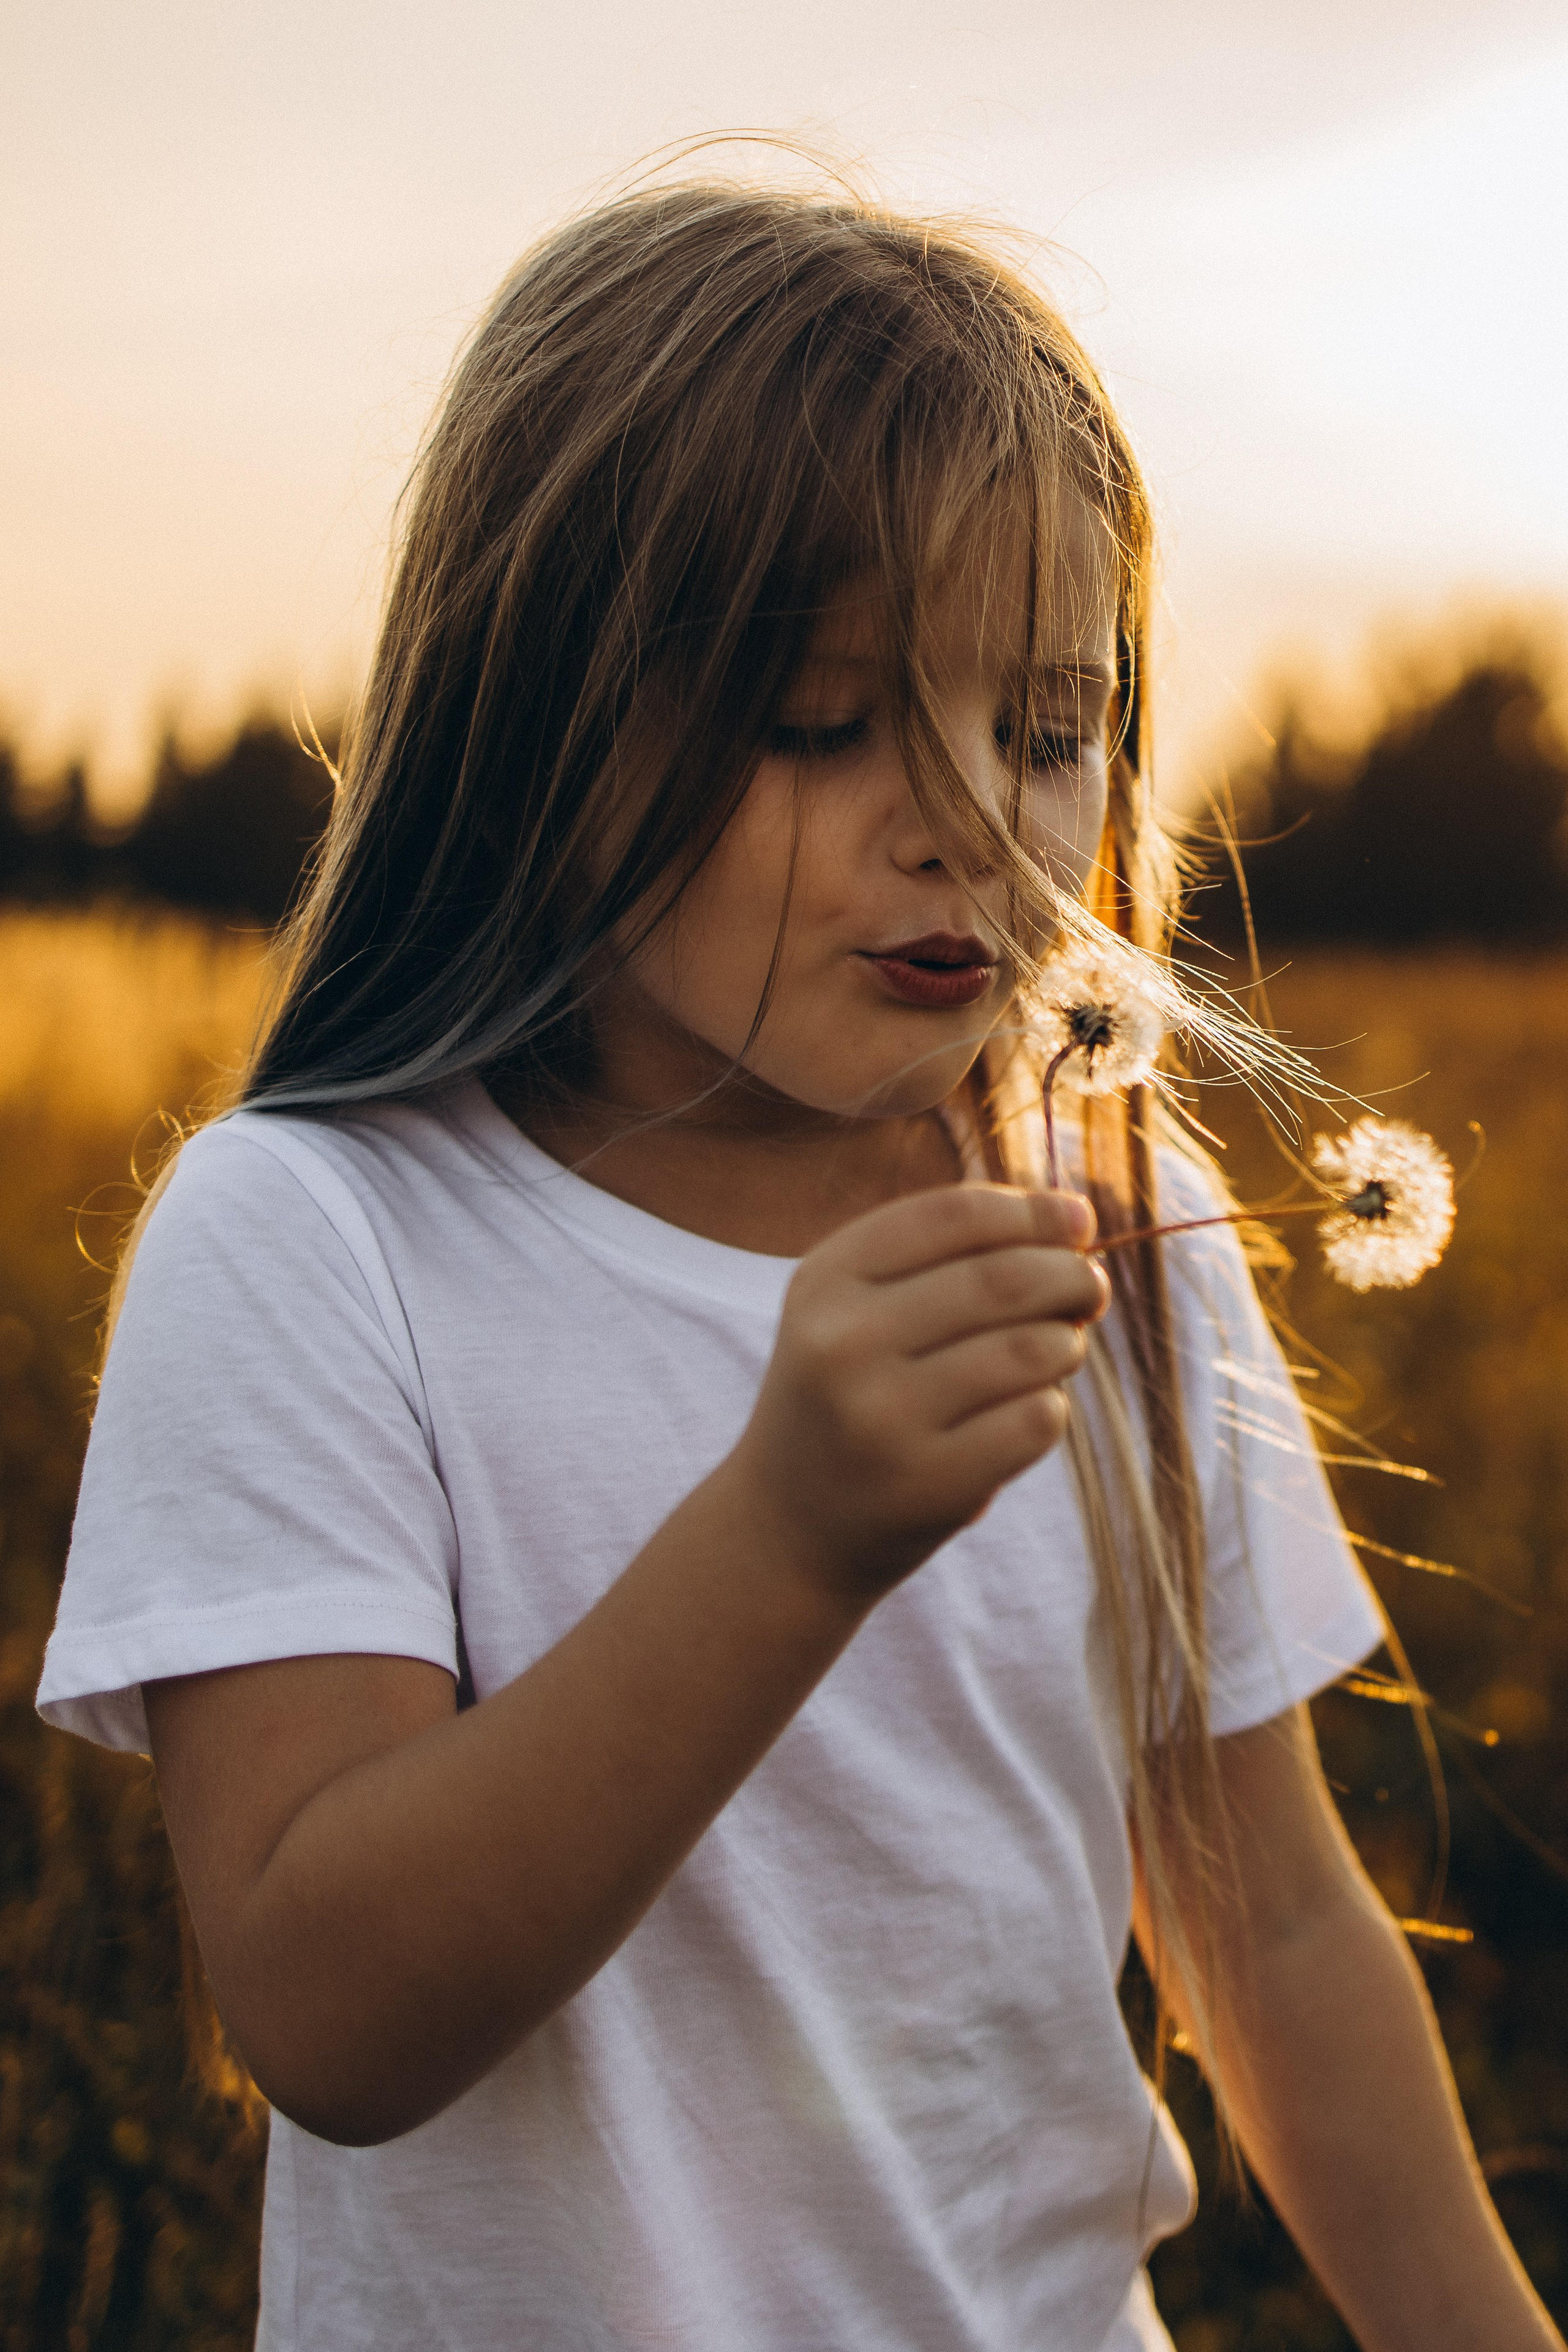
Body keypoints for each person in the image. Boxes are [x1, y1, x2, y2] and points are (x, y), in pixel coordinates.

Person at [37, 182, 1560, 2352]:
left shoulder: (1108, 1223)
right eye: (825, 725)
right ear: (535, 727)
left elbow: (1281, 1935)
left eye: (1048, 730)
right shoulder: (321, 1238)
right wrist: (785, 1532)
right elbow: (326, 2012)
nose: (963, 824)